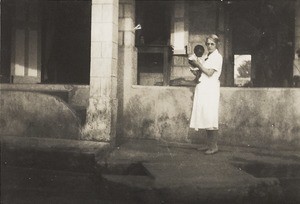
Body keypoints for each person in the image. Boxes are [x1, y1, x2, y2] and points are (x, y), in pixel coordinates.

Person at [189, 34, 223, 155]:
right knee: (204, 115)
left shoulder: (217, 57)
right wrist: (194, 70)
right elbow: (201, 73)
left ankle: (214, 146)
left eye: (212, 44)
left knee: (210, 116)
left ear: (216, 44)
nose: (209, 46)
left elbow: (209, 73)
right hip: (203, 87)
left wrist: (198, 65)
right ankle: (208, 144)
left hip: (211, 89)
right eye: (208, 44)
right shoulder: (206, 56)